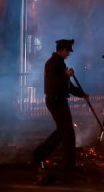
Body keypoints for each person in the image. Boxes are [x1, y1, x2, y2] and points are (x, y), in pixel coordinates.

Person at [33, 39, 89, 172]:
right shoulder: (52, 63)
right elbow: (55, 83)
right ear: (63, 49)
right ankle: (39, 155)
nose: (69, 54)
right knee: (64, 131)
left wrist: (81, 94)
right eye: (68, 51)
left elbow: (67, 86)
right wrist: (65, 75)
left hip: (60, 100)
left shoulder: (60, 63)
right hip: (55, 100)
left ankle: (68, 163)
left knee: (66, 131)